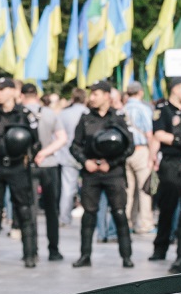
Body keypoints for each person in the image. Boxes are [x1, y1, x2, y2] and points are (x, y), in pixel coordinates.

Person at [70, 81, 135, 268]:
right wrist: (86, 162)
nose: (92, 98)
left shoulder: (118, 119)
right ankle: (85, 255)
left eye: (96, 94)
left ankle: (126, 256)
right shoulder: (85, 119)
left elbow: (129, 147)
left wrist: (111, 163)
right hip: (91, 172)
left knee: (120, 213)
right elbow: (75, 146)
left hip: (113, 172)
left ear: (107, 96)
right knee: (89, 214)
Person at [0, 78, 40, 268]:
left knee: (24, 209)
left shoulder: (24, 114)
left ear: (13, 91)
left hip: (18, 166)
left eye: (3, 89)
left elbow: (36, 142)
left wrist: (25, 157)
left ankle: (29, 254)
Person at [150, 78, 181, 271]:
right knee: (167, 207)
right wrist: (179, 139)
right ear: (176, 89)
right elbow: (159, 134)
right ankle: (160, 247)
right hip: (170, 162)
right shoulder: (163, 110)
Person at [21, 83, 68, 261]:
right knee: (51, 210)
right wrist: (45, 152)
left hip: (28, 166)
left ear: (23, 95)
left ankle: (32, 250)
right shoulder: (49, 112)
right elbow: (62, 138)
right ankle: (54, 249)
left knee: (30, 209)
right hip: (49, 164)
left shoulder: (20, 113)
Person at [123, 82, 155, 234]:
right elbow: (149, 133)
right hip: (141, 150)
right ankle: (145, 224)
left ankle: (127, 222)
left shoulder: (122, 109)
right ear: (140, 92)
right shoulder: (143, 108)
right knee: (144, 189)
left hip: (124, 152)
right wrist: (153, 155)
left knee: (128, 190)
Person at [57, 88, 88, 225]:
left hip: (67, 154)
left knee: (67, 189)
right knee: (89, 188)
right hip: (86, 155)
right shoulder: (87, 113)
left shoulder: (63, 114)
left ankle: (64, 218)